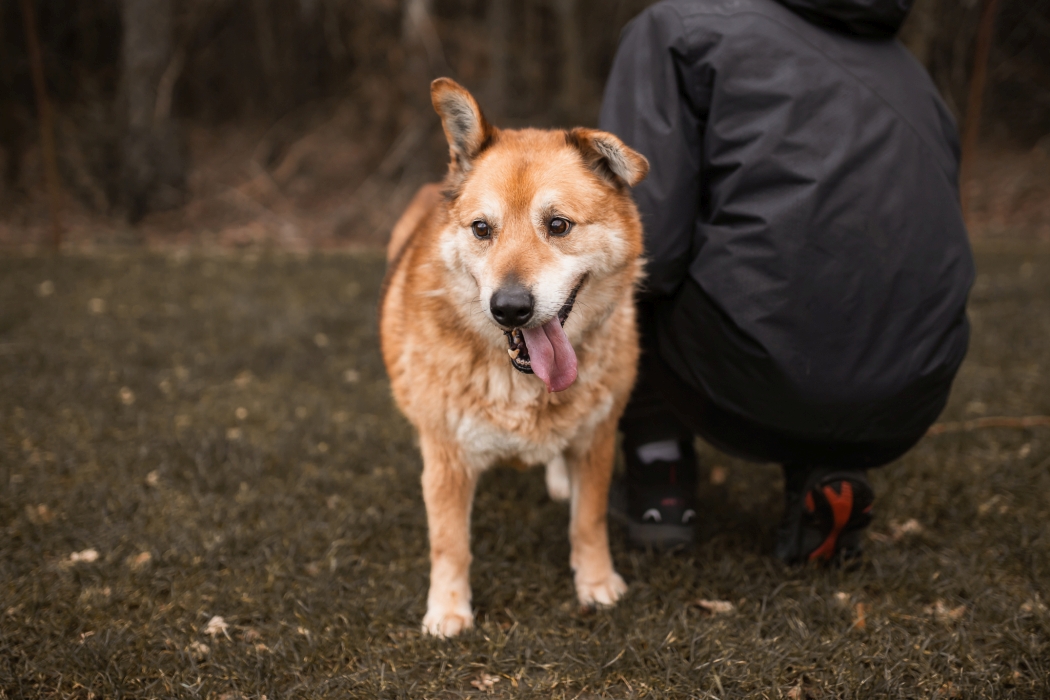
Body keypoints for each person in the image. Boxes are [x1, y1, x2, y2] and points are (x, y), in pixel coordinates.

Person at [599, 0, 974, 562]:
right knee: (824, 274)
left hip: (757, 369)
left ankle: (661, 486)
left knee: (622, 263)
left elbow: (652, 239)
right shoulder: (911, 73)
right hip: (913, 383)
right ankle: (831, 472)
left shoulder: (677, 30)